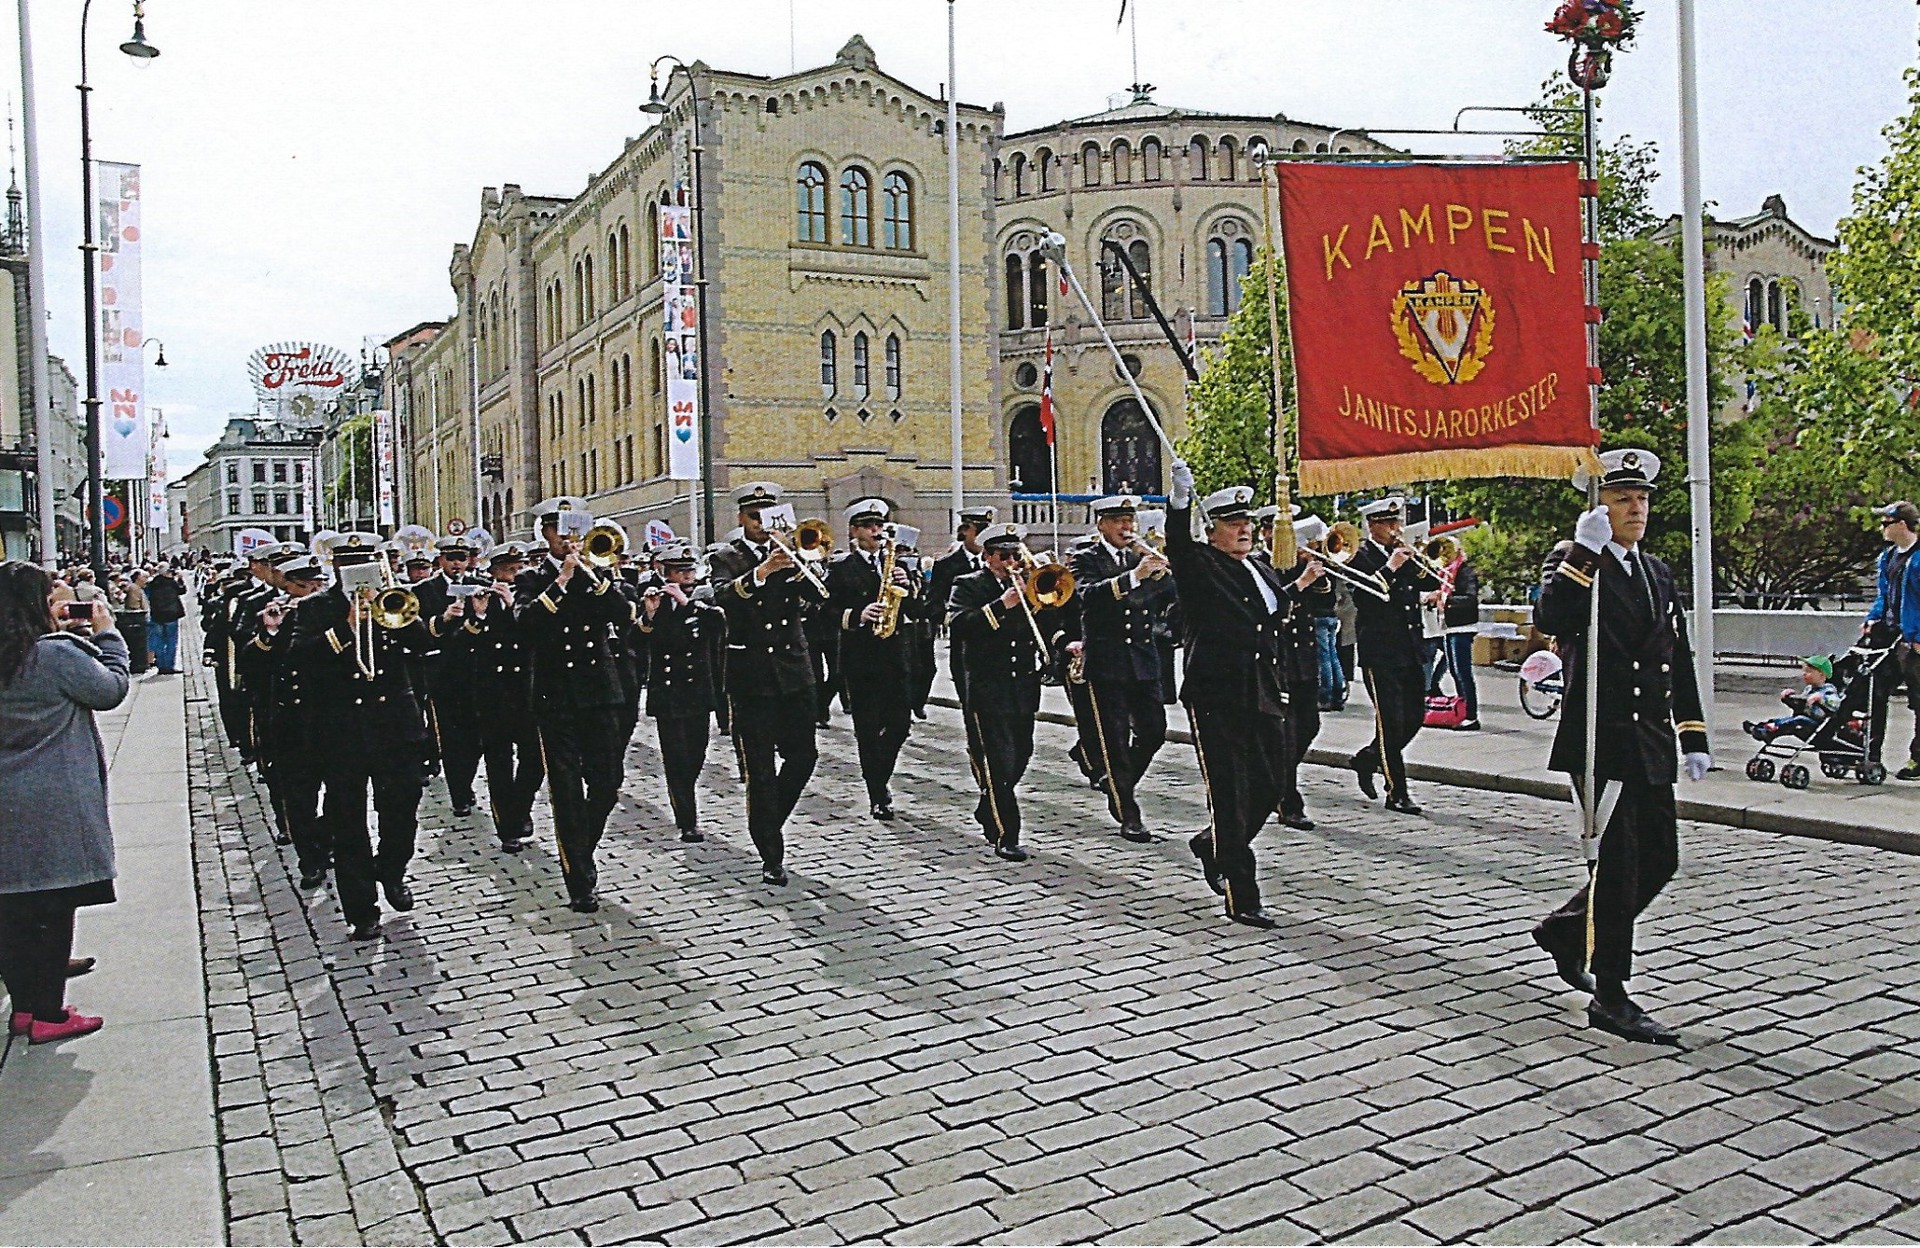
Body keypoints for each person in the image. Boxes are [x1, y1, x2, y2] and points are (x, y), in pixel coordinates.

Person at [1531, 448, 1710, 1045]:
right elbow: (1552, 617)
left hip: (1651, 738)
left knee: (1662, 858)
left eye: (1641, 499)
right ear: (1599, 509)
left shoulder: (1656, 571)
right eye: (1621, 499)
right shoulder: (1578, 562)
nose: (1635, 509)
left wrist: (1693, 731)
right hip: (1600, 738)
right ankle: (1611, 994)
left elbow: (1673, 656)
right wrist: (1583, 553)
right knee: (1620, 866)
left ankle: (1567, 928)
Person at [1164, 469, 1325, 927]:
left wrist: (1303, 583)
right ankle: (1241, 895)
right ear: (1211, 530)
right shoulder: (1200, 564)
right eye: (1233, 523)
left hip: (1262, 688)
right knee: (1230, 794)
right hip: (1217, 694)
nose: (1245, 530)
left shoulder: (1259, 568)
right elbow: (1178, 547)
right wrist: (1178, 502)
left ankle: (1211, 843)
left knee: (1272, 783)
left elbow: (1269, 609)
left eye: (1247, 522)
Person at [0, 561, 129, 1044]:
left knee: (10, 909)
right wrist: (108, 636)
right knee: (53, 908)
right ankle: (50, 1015)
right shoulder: (53, 655)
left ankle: (23, 1008)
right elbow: (111, 689)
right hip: (51, 798)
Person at [293, 533, 434, 941]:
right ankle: (361, 909)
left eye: (365, 561)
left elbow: (423, 643)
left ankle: (392, 869)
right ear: (335, 566)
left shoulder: (395, 601)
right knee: (347, 821)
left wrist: (391, 606)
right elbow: (303, 660)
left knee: (402, 809)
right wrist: (347, 627)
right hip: (342, 732)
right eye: (349, 562)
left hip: (395, 727)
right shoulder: (316, 608)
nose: (358, 570)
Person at [514, 499, 638, 911]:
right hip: (556, 695)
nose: (568, 539)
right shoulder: (532, 579)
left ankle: (581, 846)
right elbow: (525, 624)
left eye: (574, 531)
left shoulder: (598, 571)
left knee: (607, 782)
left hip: (601, 690)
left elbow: (624, 615)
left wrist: (594, 577)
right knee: (566, 788)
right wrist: (563, 580)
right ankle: (579, 878)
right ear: (545, 534)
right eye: (559, 530)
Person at [711, 483, 829, 884]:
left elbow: (821, 597)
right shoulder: (727, 556)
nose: (763, 523)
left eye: (769, 514)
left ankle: (768, 819)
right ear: (742, 518)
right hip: (752, 675)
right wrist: (763, 571)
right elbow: (723, 596)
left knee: (804, 756)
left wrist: (801, 564)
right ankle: (771, 853)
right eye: (755, 515)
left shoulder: (795, 551)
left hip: (794, 668)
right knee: (759, 767)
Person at [1067, 495, 1176, 842]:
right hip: (1107, 661)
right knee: (1114, 740)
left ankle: (1118, 781)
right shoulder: (1085, 559)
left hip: (1143, 659)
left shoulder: (1140, 557)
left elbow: (1166, 598)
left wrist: (1165, 572)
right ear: (1101, 524)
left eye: (1130, 520)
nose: (1128, 528)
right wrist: (1134, 577)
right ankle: (1128, 811)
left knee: (1154, 731)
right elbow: (1086, 595)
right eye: (1119, 521)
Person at [947, 523, 1054, 863]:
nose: (1012, 562)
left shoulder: (1028, 584)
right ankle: (1006, 834)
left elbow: (1053, 618)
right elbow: (959, 624)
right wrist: (1001, 604)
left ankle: (987, 805)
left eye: (1016, 555)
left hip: (1022, 683)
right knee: (998, 759)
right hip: (986, 683)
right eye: (1004, 556)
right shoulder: (968, 585)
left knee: (1022, 752)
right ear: (988, 556)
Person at [825, 499, 923, 821]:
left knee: (900, 727)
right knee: (867, 729)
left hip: (896, 656)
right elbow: (822, 612)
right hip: (861, 660)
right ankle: (877, 792)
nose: (876, 531)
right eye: (869, 526)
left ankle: (879, 777)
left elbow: (916, 611)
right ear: (854, 531)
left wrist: (909, 588)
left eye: (879, 525)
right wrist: (857, 615)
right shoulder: (840, 568)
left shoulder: (897, 564)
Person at [238, 555, 329, 888]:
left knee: (339, 797)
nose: (312, 591)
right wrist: (270, 633)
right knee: (299, 797)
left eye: (317, 585)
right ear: (288, 585)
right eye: (305, 586)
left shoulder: (330, 614)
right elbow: (249, 663)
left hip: (330, 720)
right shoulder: (270, 612)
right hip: (291, 721)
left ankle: (326, 841)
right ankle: (310, 860)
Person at [1346, 497, 1441, 816]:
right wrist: (1392, 566)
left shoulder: (1404, 553)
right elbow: (1363, 597)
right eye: (1387, 524)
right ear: (1372, 525)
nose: (1395, 529)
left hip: (1410, 646)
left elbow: (1430, 581)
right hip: (1380, 650)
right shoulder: (1358, 555)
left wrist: (1421, 561)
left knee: (1414, 717)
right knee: (1390, 722)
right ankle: (1397, 791)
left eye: (1396, 522)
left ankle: (1368, 758)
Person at [639, 542, 726, 841]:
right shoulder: (655, 604)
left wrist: (688, 604)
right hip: (668, 693)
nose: (687, 578)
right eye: (679, 572)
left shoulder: (704, 601)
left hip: (698, 691)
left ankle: (684, 794)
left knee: (697, 753)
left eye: (689, 572)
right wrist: (649, 617)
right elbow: (634, 643)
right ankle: (687, 819)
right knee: (676, 757)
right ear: (666, 574)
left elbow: (720, 624)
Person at [466, 542, 544, 853]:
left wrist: (515, 604)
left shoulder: (528, 597)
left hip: (527, 690)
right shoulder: (479, 599)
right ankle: (506, 827)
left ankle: (520, 808)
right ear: (494, 571)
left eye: (518, 569)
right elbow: (464, 642)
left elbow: (537, 633)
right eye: (508, 570)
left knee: (534, 760)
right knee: (499, 763)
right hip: (493, 694)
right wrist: (480, 615)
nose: (514, 575)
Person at [414, 534, 485, 818]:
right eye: (452, 558)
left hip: (476, 672)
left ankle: (465, 782)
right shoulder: (425, 590)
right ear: (440, 560)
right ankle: (459, 793)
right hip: (442, 675)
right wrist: (443, 620)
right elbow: (417, 633)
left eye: (462, 559)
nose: (457, 564)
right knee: (451, 739)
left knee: (477, 739)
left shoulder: (479, 587)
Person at [1863, 500, 1920, 780]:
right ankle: (1869, 755)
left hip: (1913, 639)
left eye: (1886, 523)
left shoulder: (1918, 557)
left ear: (1901, 525)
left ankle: (1917, 759)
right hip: (1887, 635)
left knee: (1919, 700)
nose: (1881, 528)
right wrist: (1872, 618)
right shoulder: (1887, 557)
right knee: (1875, 695)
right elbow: (1883, 596)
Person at [1744, 655, 1842, 742]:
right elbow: (1802, 704)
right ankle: (1761, 728)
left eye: (1808, 671)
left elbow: (1835, 704)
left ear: (1822, 675)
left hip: (1818, 724)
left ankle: (1767, 731)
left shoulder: (1828, 690)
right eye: (1804, 671)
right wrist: (1789, 698)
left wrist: (1821, 699)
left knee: (1797, 720)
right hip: (1805, 719)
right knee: (1784, 720)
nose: (1804, 674)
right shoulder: (1809, 689)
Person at [1440, 545, 1482, 729]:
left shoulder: (1465, 572)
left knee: (1463, 673)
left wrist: (1447, 600)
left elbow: (1471, 599)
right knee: (1455, 673)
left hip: (1463, 627)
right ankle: (1462, 711)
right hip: (1450, 627)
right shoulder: (1448, 572)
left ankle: (1471, 716)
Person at [146, 562, 187, 674]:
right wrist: (180, 579)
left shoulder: (152, 584)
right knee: (171, 641)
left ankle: (161, 665)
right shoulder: (172, 583)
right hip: (171, 615)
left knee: (159, 641)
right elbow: (182, 590)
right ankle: (169, 666)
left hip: (157, 616)